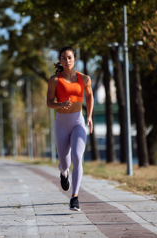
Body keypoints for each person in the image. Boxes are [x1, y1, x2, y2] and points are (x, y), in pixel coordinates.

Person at [46, 46, 94, 211]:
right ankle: (63, 172)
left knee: (77, 157)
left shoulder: (84, 78)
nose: (67, 61)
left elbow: (90, 96)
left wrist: (89, 116)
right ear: (60, 60)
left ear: (75, 59)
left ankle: (74, 197)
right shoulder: (54, 80)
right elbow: (49, 102)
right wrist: (60, 104)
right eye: (64, 58)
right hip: (61, 123)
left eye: (70, 57)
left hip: (78, 122)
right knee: (65, 163)